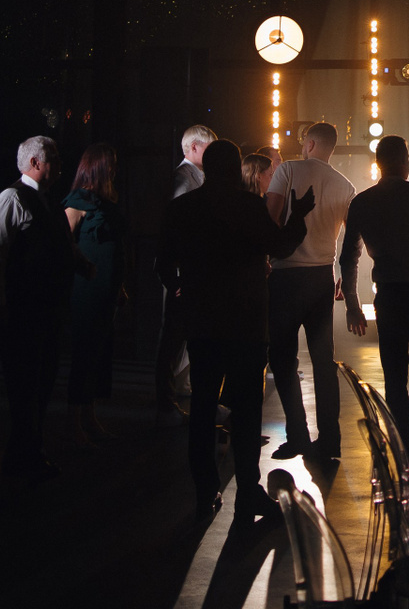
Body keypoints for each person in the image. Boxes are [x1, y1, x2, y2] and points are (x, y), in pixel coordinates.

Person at [159, 138, 315, 522]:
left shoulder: (182, 208)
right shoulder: (248, 206)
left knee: (202, 407)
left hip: (203, 323)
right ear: (234, 169)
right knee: (246, 412)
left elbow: (163, 261)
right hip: (245, 322)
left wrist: (178, 286)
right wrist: (298, 216)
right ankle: (247, 493)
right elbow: (279, 245)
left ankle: (205, 492)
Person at [0, 135, 93, 480]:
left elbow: (64, 246)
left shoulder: (48, 202)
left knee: (42, 383)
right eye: (53, 158)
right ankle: (23, 458)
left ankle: (28, 453)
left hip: (47, 309)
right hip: (24, 310)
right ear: (34, 163)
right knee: (25, 386)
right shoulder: (13, 198)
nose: (59, 164)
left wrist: (82, 265)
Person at [340, 136, 409, 460]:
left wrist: (353, 305)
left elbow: (349, 257)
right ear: (405, 161)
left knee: (395, 377)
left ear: (378, 163)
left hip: (389, 293)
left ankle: (404, 453)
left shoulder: (362, 202)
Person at [264, 122, 357, 461]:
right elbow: (353, 239)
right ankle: (330, 441)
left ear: (311, 143)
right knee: (322, 361)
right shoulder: (345, 185)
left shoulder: (288, 170)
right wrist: (343, 278)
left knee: (283, 359)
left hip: (286, 275)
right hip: (321, 277)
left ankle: (298, 435)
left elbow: (270, 218)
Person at [63, 141, 127, 445]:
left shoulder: (107, 202)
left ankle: (89, 417)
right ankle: (74, 421)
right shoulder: (78, 200)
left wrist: (120, 286)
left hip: (106, 287)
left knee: (100, 354)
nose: (114, 169)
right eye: (109, 164)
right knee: (85, 353)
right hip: (88, 288)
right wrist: (83, 265)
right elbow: (64, 241)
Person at [154, 123, 216, 424]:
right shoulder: (184, 178)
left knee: (180, 335)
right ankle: (166, 401)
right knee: (174, 336)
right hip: (182, 270)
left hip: (186, 269)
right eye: (208, 148)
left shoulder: (193, 176)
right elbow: (176, 226)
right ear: (193, 147)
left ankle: (176, 391)